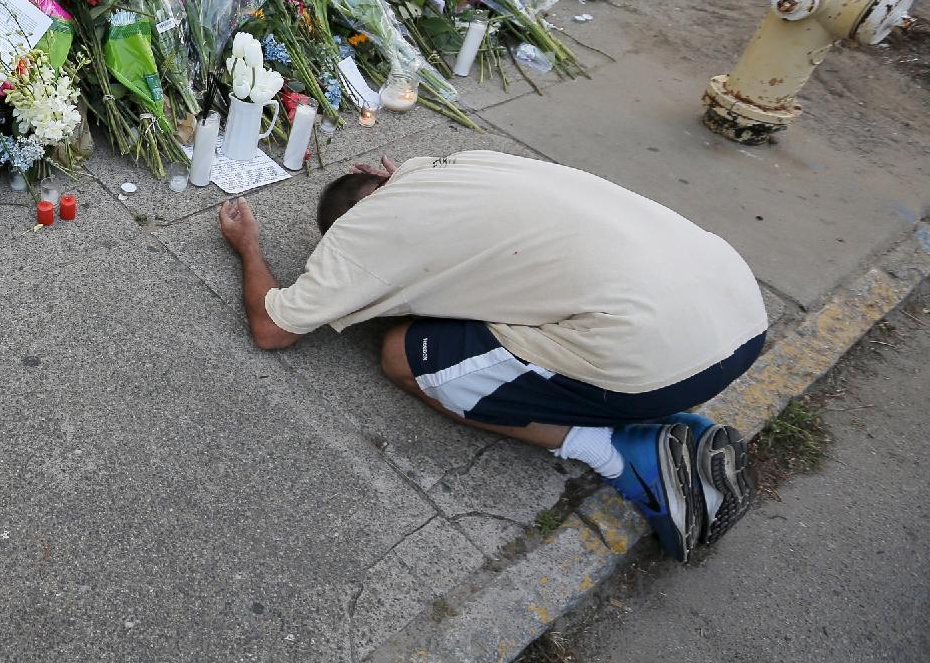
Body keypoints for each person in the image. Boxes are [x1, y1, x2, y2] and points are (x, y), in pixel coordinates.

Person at [216, 149, 768, 562]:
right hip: (739, 311)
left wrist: (249, 247)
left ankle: (625, 454)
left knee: (400, 354)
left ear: (343, 226)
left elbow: (272, 328)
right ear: (383, 176)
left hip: (653, 360)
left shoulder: (356, 235)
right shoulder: (456, 164)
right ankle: (653, 417)